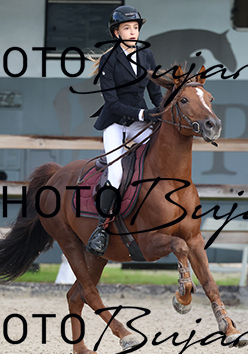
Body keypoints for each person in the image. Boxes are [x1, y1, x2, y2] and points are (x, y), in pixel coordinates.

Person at [86, 5, 164, 257]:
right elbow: (112, 103)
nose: (132, 32)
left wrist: (163, 112)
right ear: (116, 33)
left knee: (157, 161)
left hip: (141, 122)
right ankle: (101, 229)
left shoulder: (147, 55)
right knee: (117, 172)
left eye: (135, 28)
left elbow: (155, 93)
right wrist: (143, 114)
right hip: (116, 123)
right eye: (127, 28)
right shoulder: (109, 60)